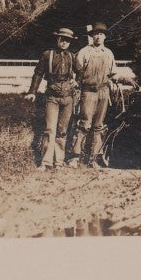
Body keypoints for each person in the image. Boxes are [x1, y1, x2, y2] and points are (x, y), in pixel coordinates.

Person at [25, 27, 78, 169]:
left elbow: (81, 72)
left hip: (68, 98)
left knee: (62, 130)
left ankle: (59, 162)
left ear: (70, 42)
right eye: (62, 39)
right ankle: (45, 162)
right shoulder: (48, 55)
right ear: (57, 39)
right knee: (50, 129)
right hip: (52, 97)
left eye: (68, 40)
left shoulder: (72, 57)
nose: (64, 42)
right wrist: (32, 91)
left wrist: (76, 80)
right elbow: (38, 73)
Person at [73, 21, 116, 167]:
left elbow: (112, 74)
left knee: (98, 125)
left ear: (105, 37)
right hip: (88, 92)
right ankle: (75, 157)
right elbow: (78, 72)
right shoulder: (84, 51)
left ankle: (93, 159)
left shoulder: (109, 53)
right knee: (84, 124)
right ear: (92, 36)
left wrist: (126, 79)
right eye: (96, 34)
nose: (98, 37)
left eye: (101, 34)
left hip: (103, 92)